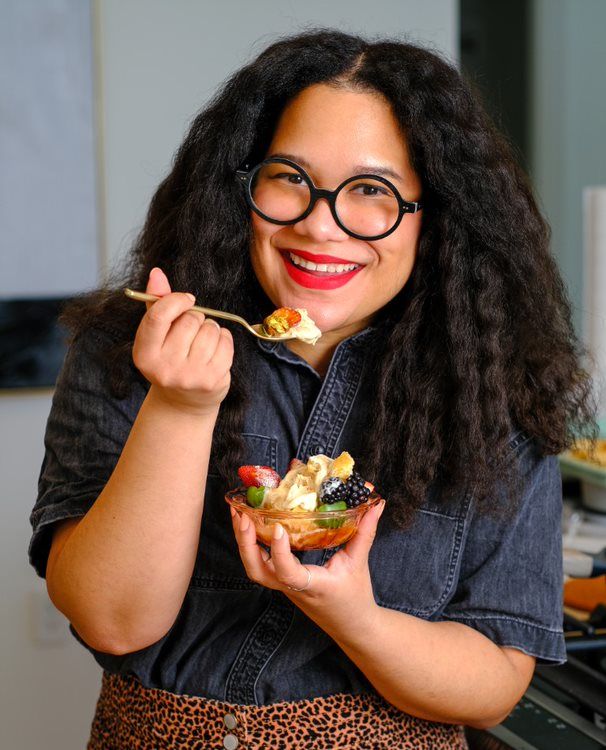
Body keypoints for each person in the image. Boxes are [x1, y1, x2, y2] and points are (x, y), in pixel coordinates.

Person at [29, 28, 594, 749]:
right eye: (290, 177)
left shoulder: (496, 388)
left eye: (371, 191)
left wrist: (354, 615)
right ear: (243, 184)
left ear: (435, 216)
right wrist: (179, 408)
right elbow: (110, 618)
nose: (320, 225)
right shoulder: (133, 348)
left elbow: (495, 686)